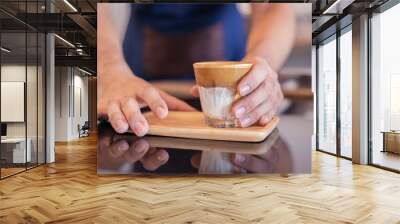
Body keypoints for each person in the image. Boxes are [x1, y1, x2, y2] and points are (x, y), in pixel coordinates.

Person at [98, 3, 295, 136]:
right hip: (139, 91)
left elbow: (272, 5)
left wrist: (261, 64)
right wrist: (111, 69)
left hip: (236, 95)